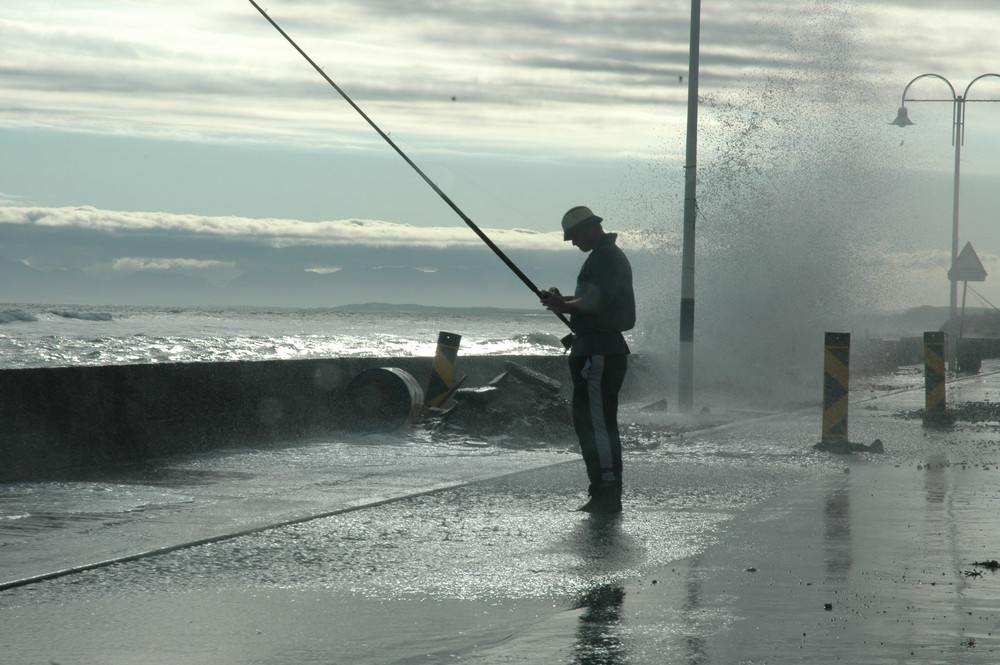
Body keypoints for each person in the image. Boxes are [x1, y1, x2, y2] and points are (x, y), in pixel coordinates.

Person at [540, 206, 635, 514]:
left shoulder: (606, 257)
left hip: (599, 353)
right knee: (592, 424)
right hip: (596, 350)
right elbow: (595, 300)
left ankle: (607, 493)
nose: (573, 243)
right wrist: (561, 301)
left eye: (575, 236)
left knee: (597, 426)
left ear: (592, 229)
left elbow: (594, 303)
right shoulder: (602, 257)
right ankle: (601, 491)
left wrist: (564, 305)